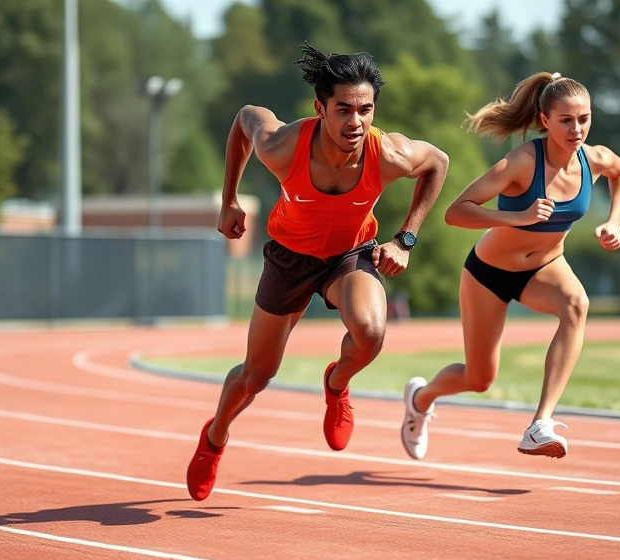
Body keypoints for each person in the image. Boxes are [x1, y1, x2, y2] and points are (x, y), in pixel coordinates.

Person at [187, 42, 450, 501]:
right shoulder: (283, 146)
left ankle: (337, 382)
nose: (355, 121)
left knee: (370, 333)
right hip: (289, 258)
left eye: (365, 110)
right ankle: (215, 438)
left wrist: (406, 237)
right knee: (256, 375)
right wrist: (229, 199)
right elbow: (246, 118)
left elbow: (438, 163)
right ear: (320, 108)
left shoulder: (386, 153)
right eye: (343, 109)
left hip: (349, 255)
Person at [400, 72, 620, 461]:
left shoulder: (595, 159)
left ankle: (540, 424)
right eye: (566, 121)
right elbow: (456, 213)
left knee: (577, 305)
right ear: (545, 120)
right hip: (488, 274)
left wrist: (615, 221)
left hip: (545, 267)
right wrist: (517, 217)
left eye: (584, 119)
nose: (577, 130)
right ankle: (420, 399)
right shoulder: (522, 162)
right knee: (479, 378)